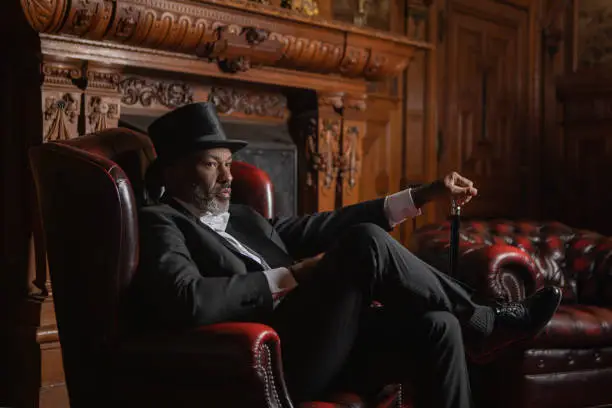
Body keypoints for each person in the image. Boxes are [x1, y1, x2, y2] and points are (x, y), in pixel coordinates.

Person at [128, 102, 562, 408]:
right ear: (173, 171)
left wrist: (423, 194)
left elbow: (327, 224)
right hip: (277, 358)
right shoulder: (162, 221)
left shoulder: (243, 216)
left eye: (228, 163)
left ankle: (474, 322)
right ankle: (485, 321)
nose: (228, 176)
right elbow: (186, 298)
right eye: (211, 164)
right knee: (364, 242)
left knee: (439, 324)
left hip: (332, 344)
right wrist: (292, 277)